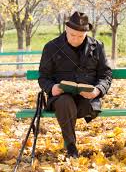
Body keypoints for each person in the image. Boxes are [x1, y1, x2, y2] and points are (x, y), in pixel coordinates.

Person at [38, 11, 112, 158]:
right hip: (60, 99)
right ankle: (71, 147)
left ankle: (71, 146)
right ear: (66, 30)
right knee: (65, 102)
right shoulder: (51, 47)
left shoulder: (97, 46)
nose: (76, 39)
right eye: (72, 35)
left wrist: (97, 90)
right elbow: (43, 77)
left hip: (87, 100)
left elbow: (106, 75)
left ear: (86, 33)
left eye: (80, 36)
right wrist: (51, 88)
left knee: (72, 105)